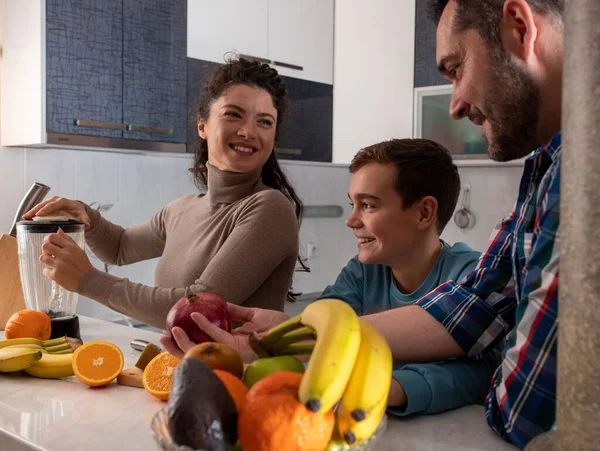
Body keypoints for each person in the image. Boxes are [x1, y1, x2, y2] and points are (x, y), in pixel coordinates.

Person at [163, 0, 565, 447]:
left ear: (518, 27)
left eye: (455, 68)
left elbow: (511, 395)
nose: (455, 104)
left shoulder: (577, 179)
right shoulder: (545, 173)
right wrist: (284, 337)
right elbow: (470, 312)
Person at [162, 138, 501, 417]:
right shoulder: (363, 271)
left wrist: (387, 387)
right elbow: (323, 329)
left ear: (424, 212)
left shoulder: (470, 275)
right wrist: (276, 337)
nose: (351, 220)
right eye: (353, 204)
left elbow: (483, 371)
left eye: (368, 205)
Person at [23, 57, 306, 329]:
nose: (248, 131)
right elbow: (119, 248)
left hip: (243, 377)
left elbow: (199, 309)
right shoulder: (181, 210)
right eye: (233, 114)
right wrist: (88, 216)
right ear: (202, 125)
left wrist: (88, 280)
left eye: (265, 122)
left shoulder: (270, 208)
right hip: (186, 372)